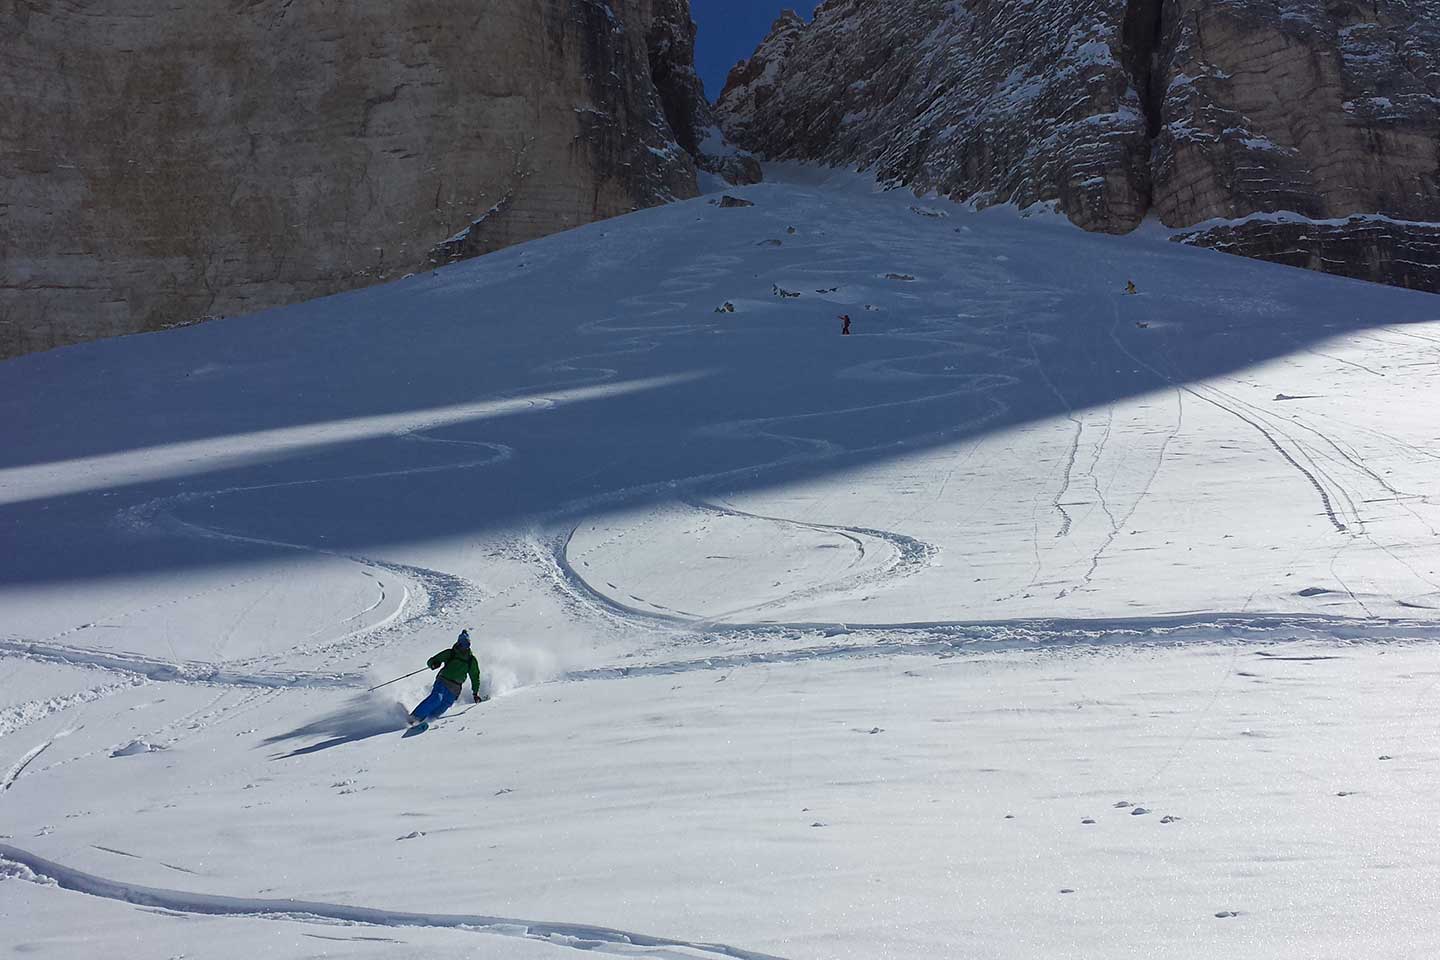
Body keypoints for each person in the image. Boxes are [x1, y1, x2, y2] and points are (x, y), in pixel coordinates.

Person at [407, 629, 486, 725]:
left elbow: (475, 676)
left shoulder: (471, 660)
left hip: (455, 688)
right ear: (459, 643)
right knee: (436, 698)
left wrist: (475, 693)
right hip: (443, 681)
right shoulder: (450, 653)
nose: (464, 648)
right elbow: (431, 661)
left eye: (467, 645)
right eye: (462, 644)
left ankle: (427, 721)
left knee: (443, 706)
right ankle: (414, 718)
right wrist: (434, 664)